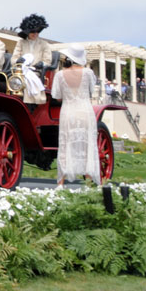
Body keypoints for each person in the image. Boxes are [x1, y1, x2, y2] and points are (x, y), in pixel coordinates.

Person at [52, 46, 102, 187]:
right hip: (85, 111)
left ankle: (60, 183)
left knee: (65, 144)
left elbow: (57, 96)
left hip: (68, 112)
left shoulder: (60, 75)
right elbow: (91, 91)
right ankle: (88, 181)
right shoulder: (88, 73)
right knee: (87, 145)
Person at [11, 14, 53, 104]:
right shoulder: (21, 43)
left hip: (36, 72)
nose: (35, 34)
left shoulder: (44, 44)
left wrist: (42, 64)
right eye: (33, 31)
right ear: (27, 32)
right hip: (20, 71)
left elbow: (48, 61)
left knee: (26, 80)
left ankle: (29, 104)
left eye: (37, 31)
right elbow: (13, 58)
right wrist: (18, 60)